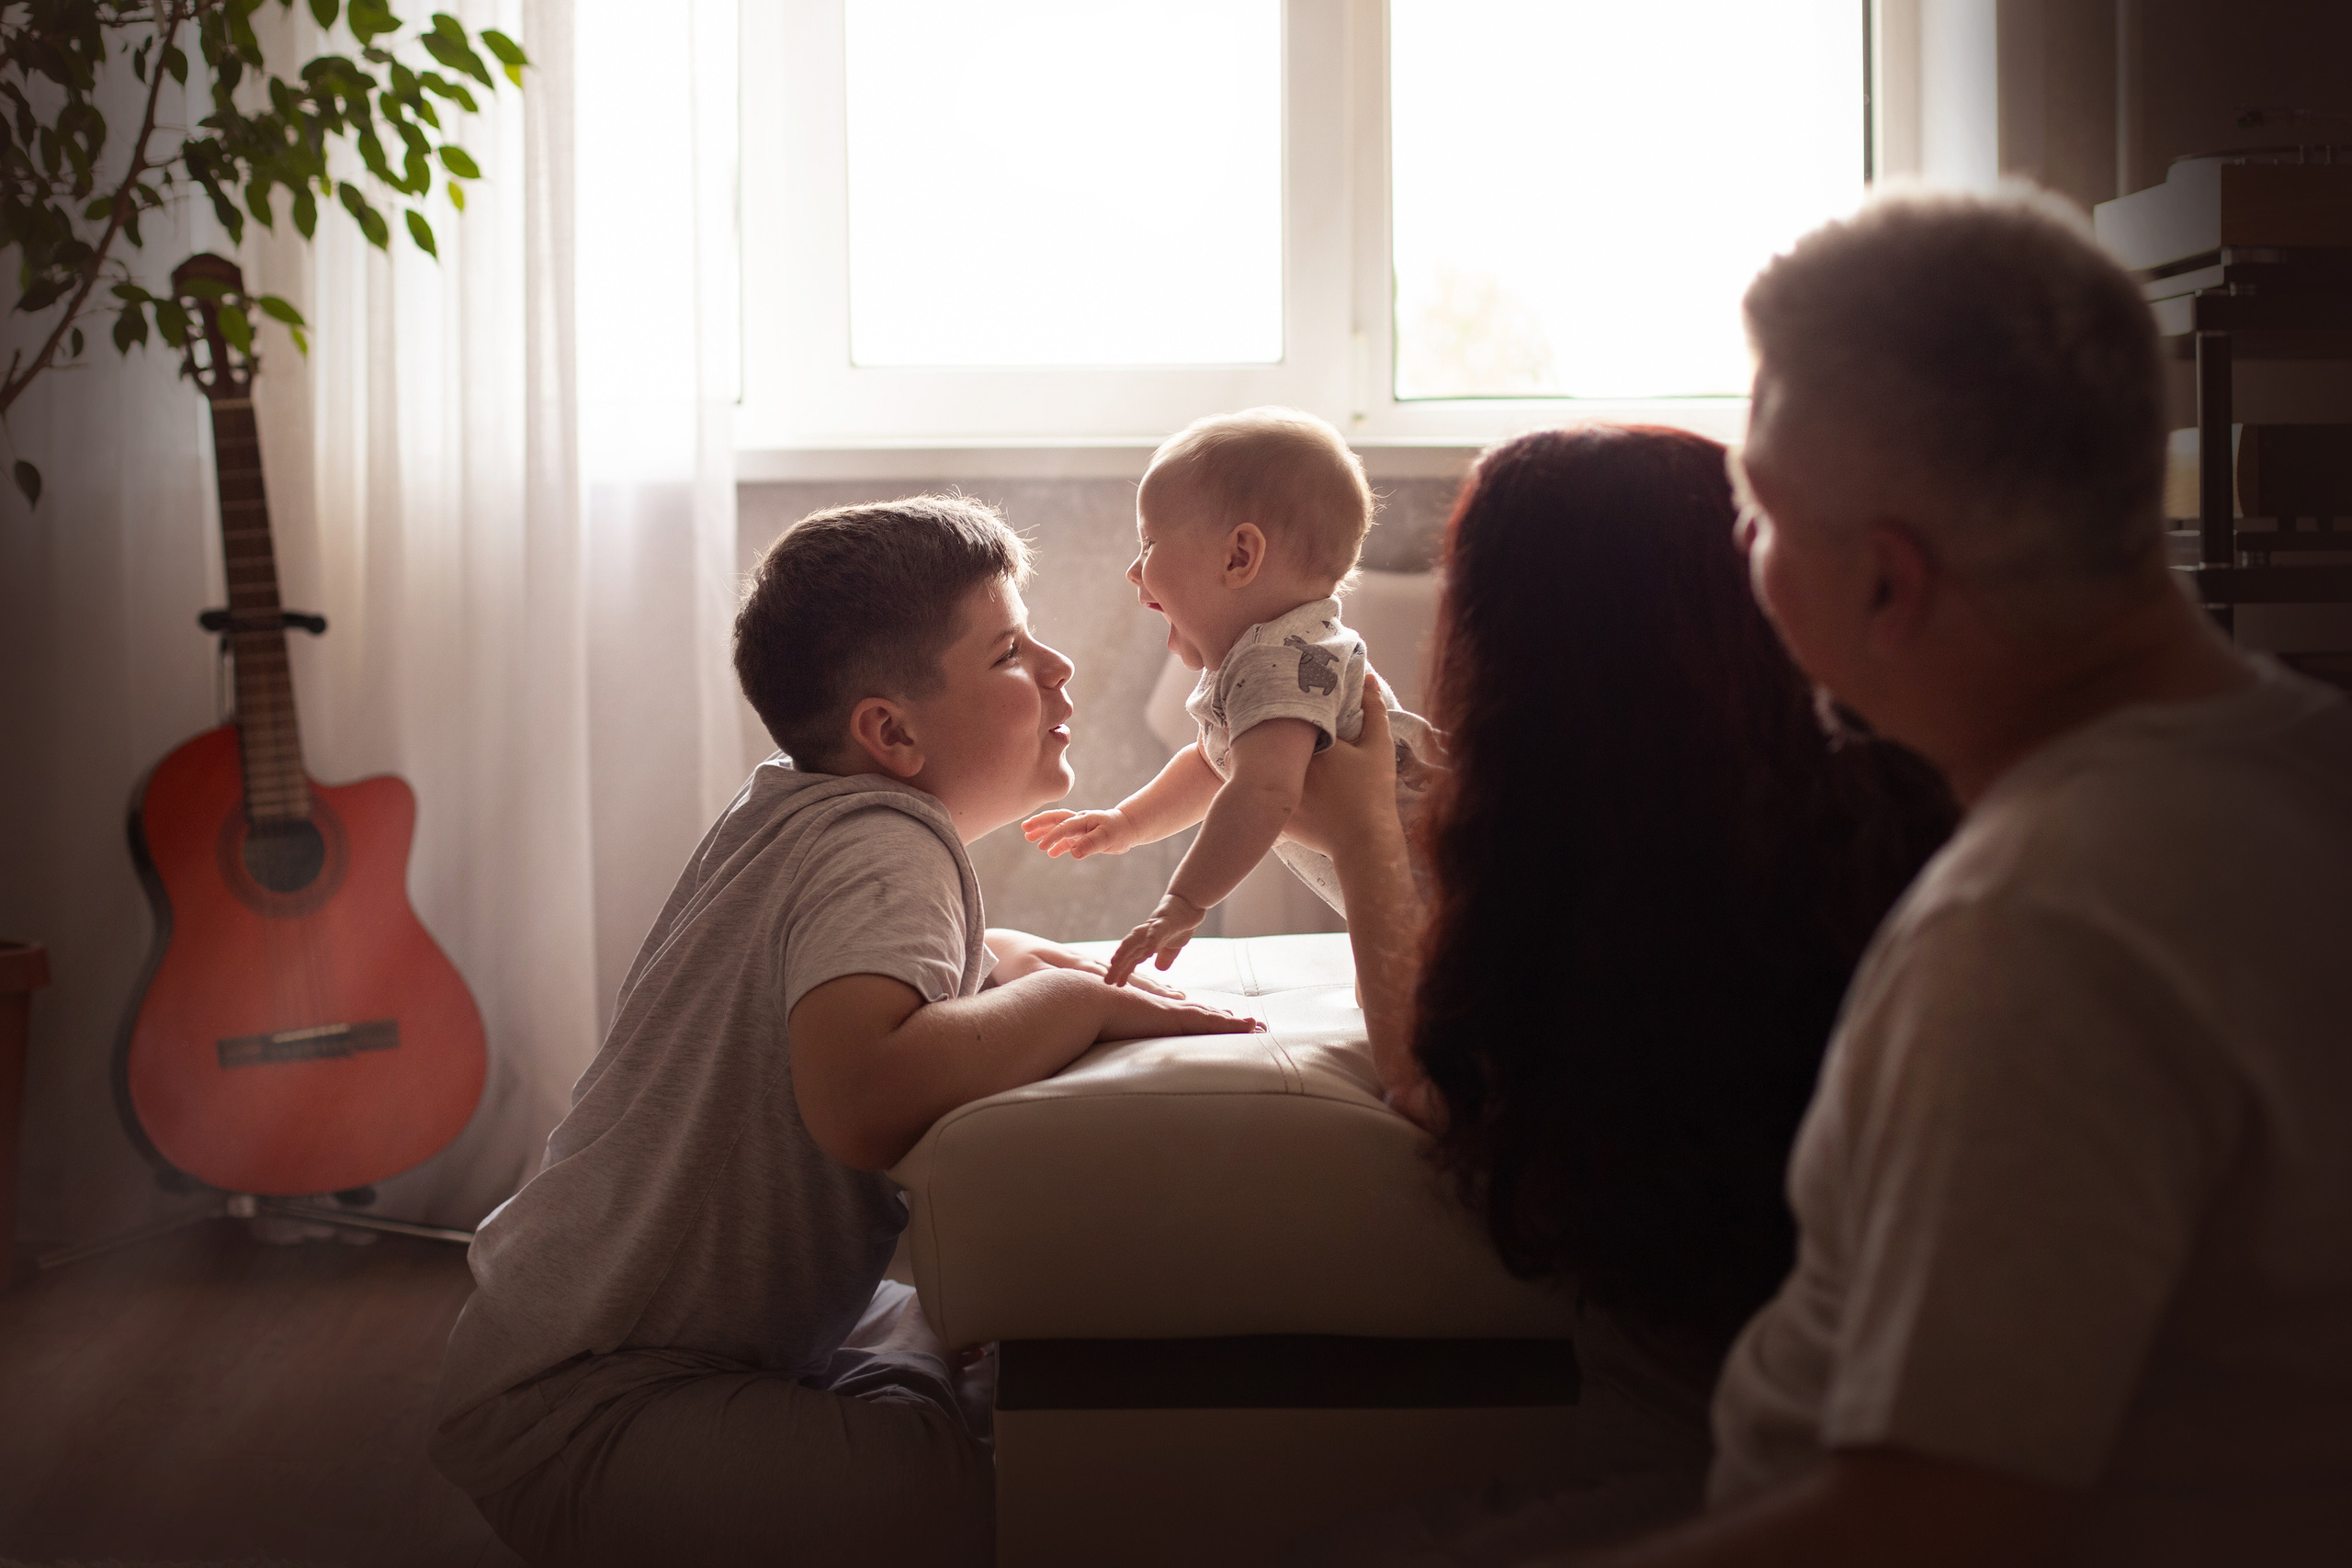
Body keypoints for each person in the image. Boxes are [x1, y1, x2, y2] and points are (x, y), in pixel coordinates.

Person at [1304, 190, 2352, 1565]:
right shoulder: (2298, 758)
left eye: (1759, 516)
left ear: (1888, 583)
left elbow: (1930, 1522)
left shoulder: (2035, 927)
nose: (1740, 564)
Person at [427, 496, 1260, 1568]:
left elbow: (899, 963)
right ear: (892, 733)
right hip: (589, 1408)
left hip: (557, 1345)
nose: (1056, 669)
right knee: (959, 1498)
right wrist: (1077, 1002)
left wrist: (1045, 961)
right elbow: (862, 1094)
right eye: (1010, 652)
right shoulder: (888, 845)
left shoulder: (795, 804)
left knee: (974, 1359)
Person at [1281, 425, 1954, 1562]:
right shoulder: (1885, 802)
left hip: (1779, 1484)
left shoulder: (1590, 902)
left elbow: (1425, 1079)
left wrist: (1356, 837)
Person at [1020, 408, 1439, 987]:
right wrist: (1128, 822)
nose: (1132, 571)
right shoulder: (1268, 656)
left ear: (1239, 557)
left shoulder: (1283, 661)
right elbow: (1215, 766)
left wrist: (1185, 903)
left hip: (1455, 893)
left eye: (1149, 543)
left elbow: (1263, 791)